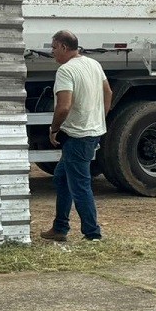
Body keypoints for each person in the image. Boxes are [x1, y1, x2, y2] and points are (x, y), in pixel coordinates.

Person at [41, 29, 112, 243]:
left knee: (80, 185)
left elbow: (63, 107)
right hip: (91, 132)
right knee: (62, 178)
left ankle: (92, 234)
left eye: (54, 48)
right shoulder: (93, 64)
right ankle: (60, 227)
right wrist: (100, 117)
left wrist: (54, 129)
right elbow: (108, 93)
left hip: (77, 136)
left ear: (63, 47)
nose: (52, 52)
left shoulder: (66, 70)